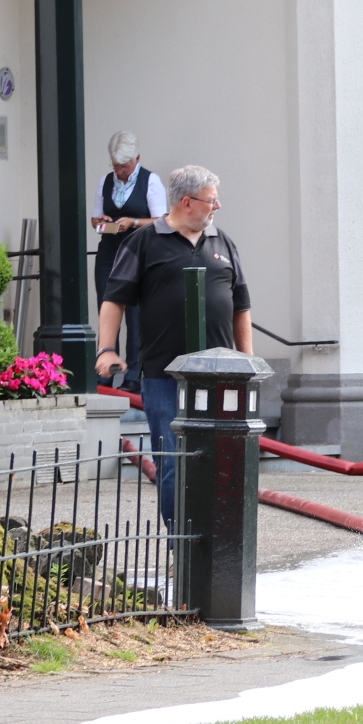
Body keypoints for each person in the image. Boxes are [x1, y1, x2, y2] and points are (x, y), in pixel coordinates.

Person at [95, 165, 251, 528]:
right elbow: (114, 299)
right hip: (164, 376)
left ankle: (217, 536)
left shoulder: (223, 242)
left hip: (221, 376)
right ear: (187, 202)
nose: (218, 206)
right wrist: (107, 349)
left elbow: (241, 305)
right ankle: (182, 545)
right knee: (173, 459)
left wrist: (246, 362)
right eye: (212, 200)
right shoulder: (144, 242)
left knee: (222, 458)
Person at [91, 132, 168, 389]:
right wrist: (101, 222)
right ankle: (105, 370)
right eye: (116, 166)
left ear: (137, 159)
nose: (120, 172)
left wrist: (133, 222)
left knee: (135, 314)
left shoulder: (151, 181)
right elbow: (95, 217)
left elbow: (162, 220)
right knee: (107, 308)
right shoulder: (106, 181)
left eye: (124, 166)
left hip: (139, 253)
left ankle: (134, 375)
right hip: (110, 252)